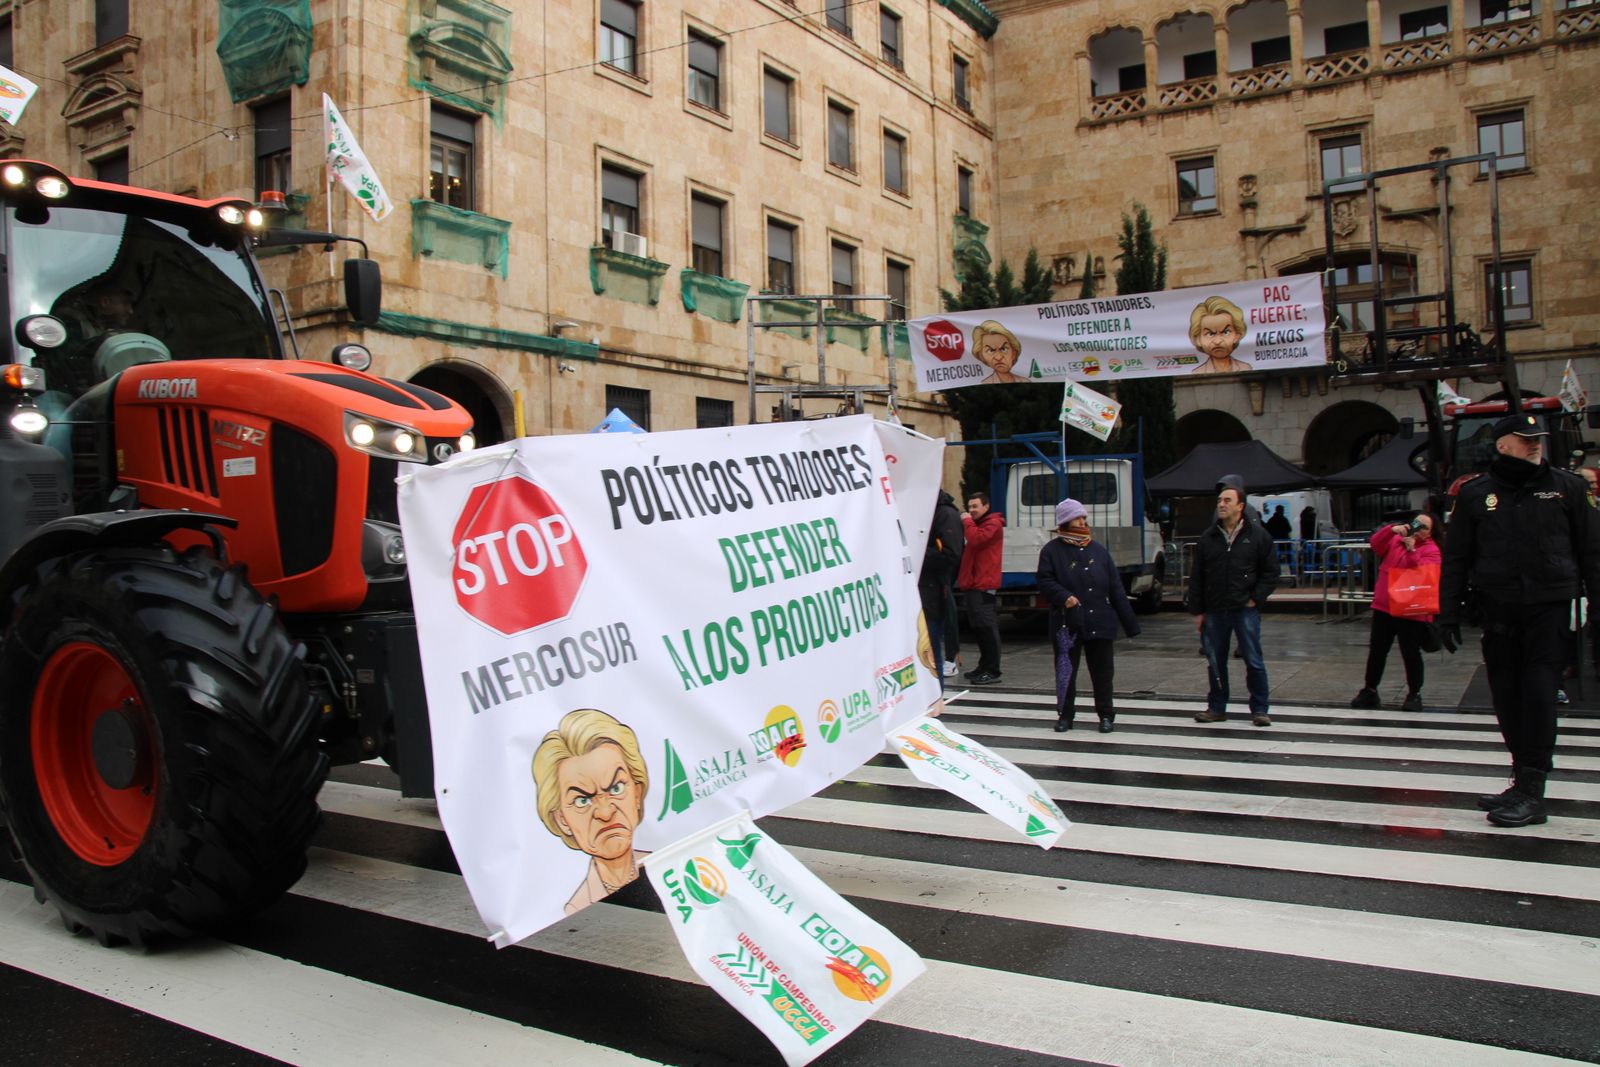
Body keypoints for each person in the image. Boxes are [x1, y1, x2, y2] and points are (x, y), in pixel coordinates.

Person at [1438, 413, 1600, 828]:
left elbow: (1593, 555)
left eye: (1538, 438)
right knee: (1507, 696)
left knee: (1540, 692)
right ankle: (1521, 775)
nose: (1534, 444)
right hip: (1499, 610)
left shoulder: (1569, 488)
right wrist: (1448, 612)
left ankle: (1533, 788)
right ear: (1502, 445)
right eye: (1524, 438)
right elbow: (1456, 559)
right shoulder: (1476, 495)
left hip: (1549, 608)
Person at [532, 708, 651, 915]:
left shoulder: (672, 863)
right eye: (582, 800)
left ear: (637, 794)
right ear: (561, 820)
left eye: (616, 788)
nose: (605, 813)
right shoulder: (573, 909)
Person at [1037, 498, 1141, 733]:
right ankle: (1065, 715)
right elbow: (1045, 580)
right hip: (1067, 623)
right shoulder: (1051, 551)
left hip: (1100, 620)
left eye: (1084, 517)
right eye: (1078, 517)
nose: (1083, 521)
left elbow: (1115, 588)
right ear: (1065, 521)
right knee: (1066, 672)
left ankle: (1106, 715)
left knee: (1103, 673)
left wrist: (1130, 624)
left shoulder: (1098, 550)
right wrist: (1065, 596)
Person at [1187, 474, 1280, 726]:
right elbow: (1197, 576)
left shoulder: (1258, 536)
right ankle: (1217, 706)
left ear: (1240, 506)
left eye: (1227, 500)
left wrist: (1255, 598)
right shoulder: (1209, 538)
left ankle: (1259, 708)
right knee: (1215, 662)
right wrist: (1197, 610)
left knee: (1253, 659)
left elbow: (1271, 572)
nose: (1221, 504)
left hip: (1244, 608)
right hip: (1215, 609)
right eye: (1219, 500)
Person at [1351, 513, 1441, 712]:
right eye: (1416, 524)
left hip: (1410, 610)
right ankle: (1370, 689)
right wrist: (1390, 530)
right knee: (1377, 650)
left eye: (1424, 527)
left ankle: (1414, 693)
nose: (1418, 529)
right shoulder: (1395, 540)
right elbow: (1376, 544)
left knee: (1410, 652)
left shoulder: (1432, 550)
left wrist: (1412, 550)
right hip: (1385, 606)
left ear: (1430, 533)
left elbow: (1422, 573)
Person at [919, 490, 965, 690]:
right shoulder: (928, 512)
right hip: (923, 591)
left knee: (931, 649)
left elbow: (951, 554)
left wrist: (916, 552)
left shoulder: (944, 514)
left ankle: (935, 695)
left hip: (932, 592)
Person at [959, 490, 1006, 684]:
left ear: (986, 507)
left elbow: (977, 540)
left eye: (975, 506)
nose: (971, 510)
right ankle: (984, 665)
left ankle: (992, 670)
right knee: (979, 628)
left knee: (987, 628)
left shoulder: (992, 524)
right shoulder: (979, 525)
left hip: (984, 585)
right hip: (974, 584)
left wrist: (967, 521)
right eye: (969, 507)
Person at [1187, 296, 1253, 375]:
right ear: (1198, 339)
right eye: (1210, 334)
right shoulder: (1197, 373)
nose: (1218, 341)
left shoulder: (1246, 368)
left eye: (1226, 332)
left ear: (1237, 335)